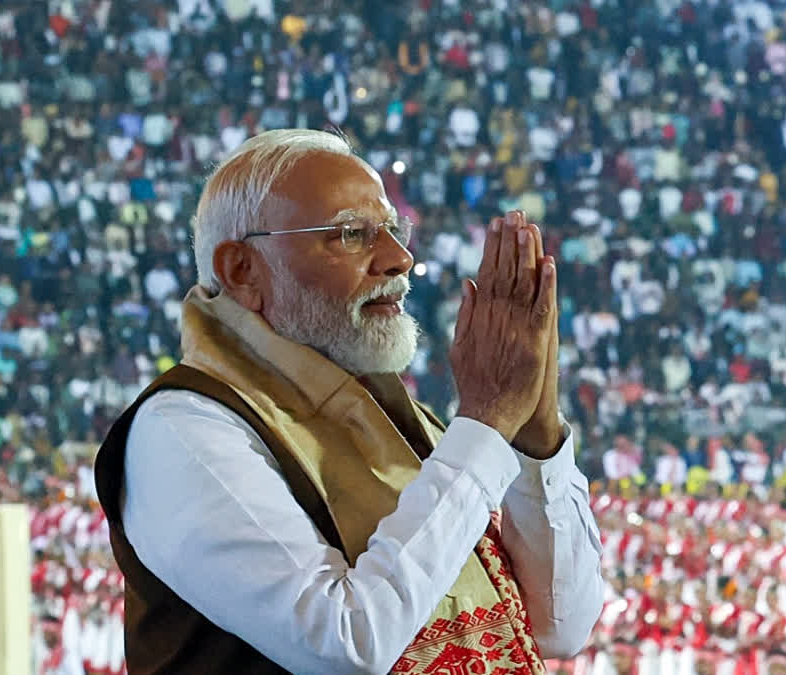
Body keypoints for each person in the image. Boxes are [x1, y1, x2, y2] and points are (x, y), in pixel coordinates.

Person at [94, 129, 602, 673]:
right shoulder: (183, 429)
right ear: (242, 270)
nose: (399, 258)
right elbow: (344, 645)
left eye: (393, 230)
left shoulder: (392, 414)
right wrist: (486, 421)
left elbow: (557, 625)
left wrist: (534, 428)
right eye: (352, 235)